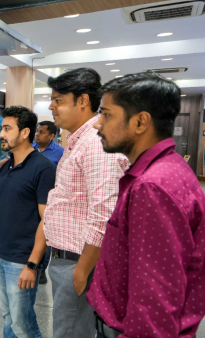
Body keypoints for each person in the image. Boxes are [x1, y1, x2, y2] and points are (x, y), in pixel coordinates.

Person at [88, 73, 205, 337]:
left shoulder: (152, 187)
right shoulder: (168, 170)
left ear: (140, 121)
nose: (97, 124)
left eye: (106, 114)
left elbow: (155, 299)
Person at [42, 68, 129, 338]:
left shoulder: (96, 144)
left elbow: (106, 214)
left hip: (80, 263)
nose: (51, 106)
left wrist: (81, 271)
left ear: (82, 101)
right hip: (69, 262)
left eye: (58, 100)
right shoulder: (77, 141)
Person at [0, 106, 56, 338]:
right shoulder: (7, 166)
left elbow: (47, 220)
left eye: (7, 128)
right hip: (0, 256)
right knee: (7, 318)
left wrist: (32, 265)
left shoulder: (43, 168)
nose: (1, 134)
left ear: (24, 133)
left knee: (23, 324)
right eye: (2, 128)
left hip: (21, 260)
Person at [32, 121, 64, 285]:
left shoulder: (60, 153)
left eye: (42, 132)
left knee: (44, 234)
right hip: (30, 198)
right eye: (37, 131)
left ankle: (41, 268)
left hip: (48, 200)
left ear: (52, 136)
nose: (37, 134)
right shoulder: (31, 148)